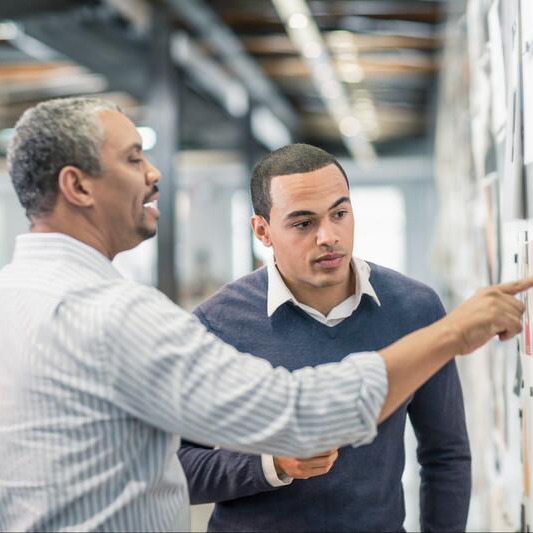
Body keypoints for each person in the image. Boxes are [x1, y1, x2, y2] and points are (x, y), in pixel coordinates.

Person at [0, 97, 533, 532]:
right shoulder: (122, 317)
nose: (155, 171)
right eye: (134, 157)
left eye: (340, 212)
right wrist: (451, 333)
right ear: (78, 187)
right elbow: (300, 413)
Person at [179, 144, 469, 532]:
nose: (328, 236)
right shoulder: (216, 323)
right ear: (262, 231)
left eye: (340, 213)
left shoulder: (414, 308)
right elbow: (172, 469)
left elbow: (445, 454)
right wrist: (270, 466)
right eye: (303, 223)